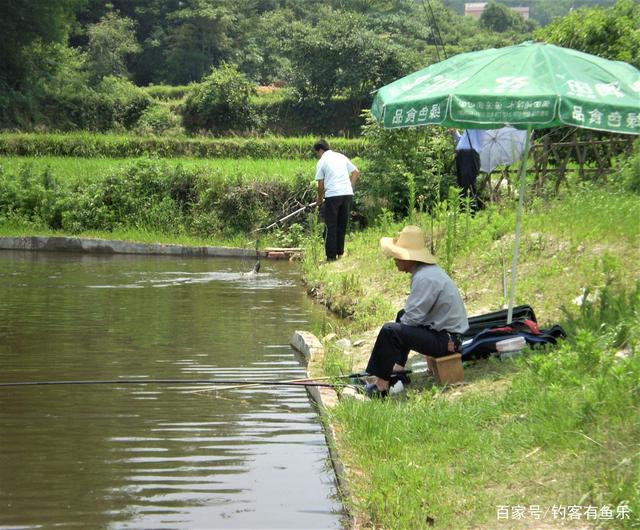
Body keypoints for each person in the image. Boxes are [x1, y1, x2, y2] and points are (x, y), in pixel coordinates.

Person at [363, 225, 469, 398]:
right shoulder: (426, 272)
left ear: (409, 258)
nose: (394, 260)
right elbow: (413, 315)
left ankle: (381, 385)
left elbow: (412, 319)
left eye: (397, 256)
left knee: (390, 331)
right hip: (446, 335)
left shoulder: (424, 277)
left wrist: (388, 352)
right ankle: (397, 370)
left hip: (447, 341)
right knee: (400, 315)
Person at [313, 139, 360, 261]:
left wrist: (319, 199)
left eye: (316, 153)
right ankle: (340, 252)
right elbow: (355, 172)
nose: (317, 156)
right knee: (342, 224)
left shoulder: (322, 161)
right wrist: (350, 186)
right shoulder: (341, 157)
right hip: (347, 194)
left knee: (331, 226)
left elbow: (320, 186)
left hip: (333, 196)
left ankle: (331, 257)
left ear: (320, 150)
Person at [450, 128, 485, 210]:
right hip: (462, 154)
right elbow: (464, 140)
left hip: (469, 155)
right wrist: (455, 133)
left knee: (467, 184)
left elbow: (472, 142)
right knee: (462, 184)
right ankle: (463, 210)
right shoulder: (471, 124)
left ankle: (470, 212)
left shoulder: (478, 122)